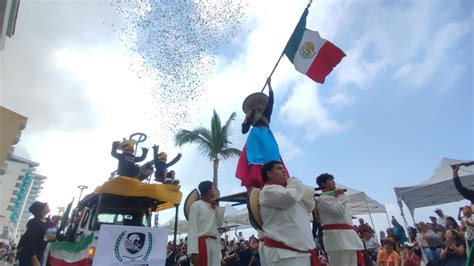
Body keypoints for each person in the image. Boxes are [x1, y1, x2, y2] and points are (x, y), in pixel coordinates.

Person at [259, 161, 316, 265]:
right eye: (279, 168)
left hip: (298, 254)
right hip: (284, 254)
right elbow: (291, 197)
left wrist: (300, 188)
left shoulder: (288, 191)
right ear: (269, 173)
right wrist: (294, 181)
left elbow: (309, 206)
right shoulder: (267, 192)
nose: (284, 171)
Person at [235, 78, 289, 189]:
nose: (259, 104)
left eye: (260, 102)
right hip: (255, 136)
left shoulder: (267, 113)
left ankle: (275, 176)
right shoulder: (251, 116)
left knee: (272, 155)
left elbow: (271, 101)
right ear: (253, 107)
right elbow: (244, 131)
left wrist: (269, 85)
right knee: (255, 157)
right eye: (256, 103)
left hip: (266, 136)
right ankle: (256, 181)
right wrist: (246, 120)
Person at [315, 173, 364, 266]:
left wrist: (339, 196)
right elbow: (338, 212)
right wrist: (341, 196)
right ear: (323, 184)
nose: (333, 182)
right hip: (336, 238)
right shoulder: (323, 199)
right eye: (330, 180)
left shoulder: (336, 198)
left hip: (349, 237)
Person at [187, 181, 225, 266]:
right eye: (213, 188)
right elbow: (192, 229)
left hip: (214, 243)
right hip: (202, 243)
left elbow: (219, 224)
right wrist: (194, 252)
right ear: (208, 190)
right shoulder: (196, 205)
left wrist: (216, 208)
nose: (215, 191)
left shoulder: (213, 206)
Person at [17, 201, 52, 266]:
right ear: (41, 209)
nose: (48, 206)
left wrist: (54, 227)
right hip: (31, 254)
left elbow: (50, 239)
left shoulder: (48, 222)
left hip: (40, 253)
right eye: (46, 206)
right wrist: (34, 259)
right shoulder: (34, 222)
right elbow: (29, 241)